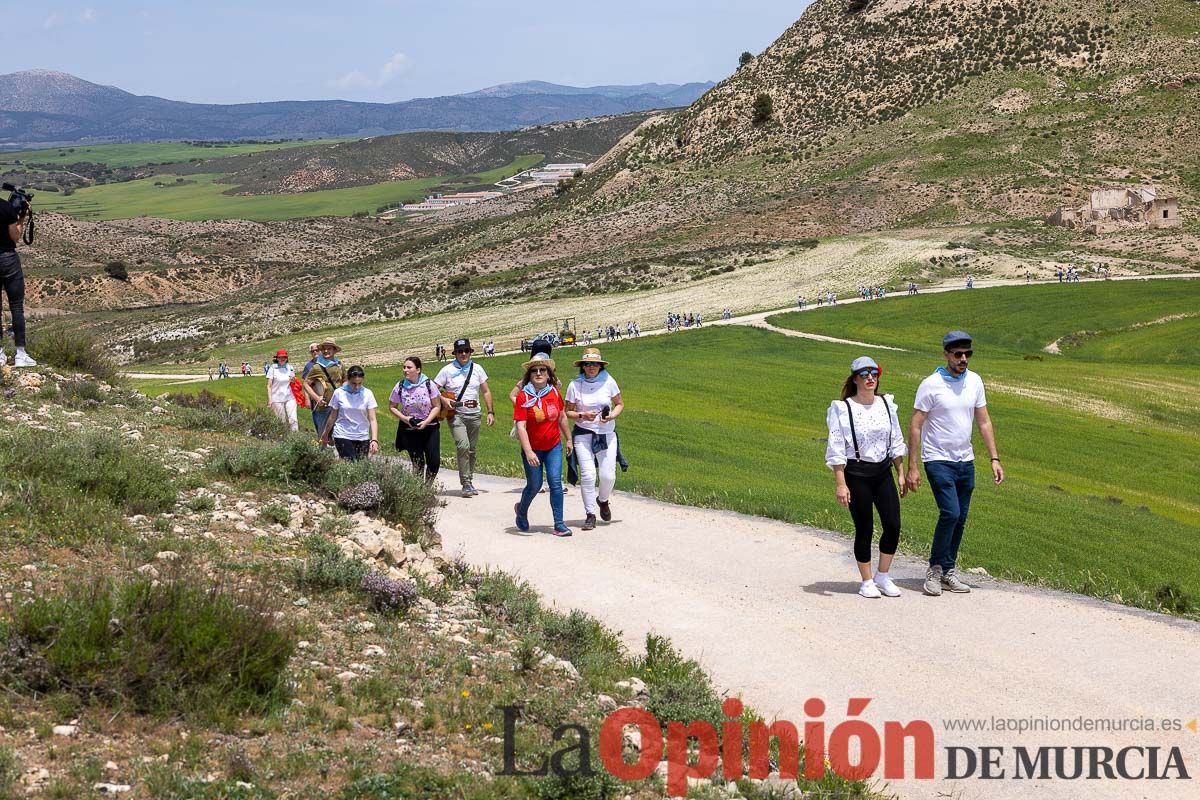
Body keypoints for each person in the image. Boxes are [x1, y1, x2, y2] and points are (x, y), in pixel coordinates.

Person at [906, 331, 1004, 596]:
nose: (963, 359)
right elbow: (916, 425)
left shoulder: (974, 382)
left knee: (960, 518)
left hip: (966, 460)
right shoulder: (931, 384)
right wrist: (912, 466)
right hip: (938, 459)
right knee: (950, 513)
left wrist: (994, 458)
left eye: (967, 354)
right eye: (958, 354)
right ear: (946, 354)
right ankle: (935, 570)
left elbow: (983, 421)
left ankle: (948, 571)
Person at [826, 357, 907, 598]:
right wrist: (841, 483)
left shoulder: (886, 404)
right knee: (865, 528)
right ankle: (867, 580)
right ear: (855, 379)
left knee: (893, 524)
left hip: (882, 472)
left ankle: (883, 575)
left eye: (874, 373)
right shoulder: (843, 409)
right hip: (856, 473)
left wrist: (901, 472)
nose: (870, 378)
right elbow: (837, 447)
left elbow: (895, 440)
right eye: (864, 374)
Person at [513, 352, 573, 537]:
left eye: (542, 370)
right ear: (529, 376)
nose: (538, 373)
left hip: (553, 445)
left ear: (549, 374)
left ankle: (559, 524)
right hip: (533, 448)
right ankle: (521, 511)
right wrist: (529, 451)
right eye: (534, 371)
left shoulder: (554, 392)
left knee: (555, 482)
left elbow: (562, 416)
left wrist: (569, 439)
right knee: (534, 485)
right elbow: (521, 427)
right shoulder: (523, 397)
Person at [565, 347, 623, 531]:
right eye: (588, 364)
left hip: (606, 434)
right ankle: (590, 514)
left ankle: (603, 500)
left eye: (595, 364)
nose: (591, 367)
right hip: (583, 434)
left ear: (600, 365)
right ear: (583, 366)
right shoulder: (575, 384)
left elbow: (620, 404)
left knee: (608, 476)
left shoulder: (609, 381)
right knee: (588, 475)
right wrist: (582, 415)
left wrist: (612, 415)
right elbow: (567, 411)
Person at [434, 338, 494, 497]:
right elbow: (432, 389)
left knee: (472, 450)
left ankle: (470, 479)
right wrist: (443, 399)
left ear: (470, 352)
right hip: (456, 414)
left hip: (475, 414)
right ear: (455, 353)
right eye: (460, 351)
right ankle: (465, 483)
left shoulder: (478, 369)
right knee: (463, 445)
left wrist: (490, 412)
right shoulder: (446, 370)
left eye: (466, 351)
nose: (463, 354)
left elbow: (486, 391)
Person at [389, 356, 442, 484]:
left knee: (434, 462)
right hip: (410, 428)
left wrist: (427, 421)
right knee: (418, 462)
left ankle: (427, 488)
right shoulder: (400, 386)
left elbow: (437, 406)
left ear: (418, 370)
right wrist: (405, 418)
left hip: (430, 427)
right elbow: (392, 406)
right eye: (404, 367)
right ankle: (418, 490)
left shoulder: (429, 384)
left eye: (409, 367)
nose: (405, 370)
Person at [0, 192, 35, 367]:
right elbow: (15, 237)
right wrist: (21, 217)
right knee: (16, 306)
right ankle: (20, 353)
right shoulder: (5, 208)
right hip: (7, 259)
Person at [319, 365, 379, 460]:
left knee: (361, 467)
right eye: (354, 383)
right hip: (342, 434)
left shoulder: (368, 394)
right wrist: (326, 433)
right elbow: (332, 416)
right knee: (350, 462)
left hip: (362, 435)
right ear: (348, 380)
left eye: (359, 383)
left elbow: (372, 419)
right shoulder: (339, 393)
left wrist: (374, 439)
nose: (356, 386)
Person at [305, 339, 345, 437]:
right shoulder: (317, 367)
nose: (326, 351)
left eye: (329, 349)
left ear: (334, 350)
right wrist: (316, 398)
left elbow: (345, 381)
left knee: (339, 435)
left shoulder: (340, 365)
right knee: (323, 435)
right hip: (324, 407)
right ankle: (323, 452)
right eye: (324, 349)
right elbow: (306, 384)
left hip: (338, 405)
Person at [265, 349, 299, 432]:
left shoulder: (290, 367)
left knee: (293, 419)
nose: (282, 359)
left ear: (287, 358)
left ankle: (296, 438)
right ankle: (283, 438)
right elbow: (269, 386)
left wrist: (293, 380)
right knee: (281, 420)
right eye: (280, 357)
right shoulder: (273, 368)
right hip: (276, 398)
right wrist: (270, 400)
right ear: (277, 358)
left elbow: (293, 381)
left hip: (289, 397)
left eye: (284, 357)